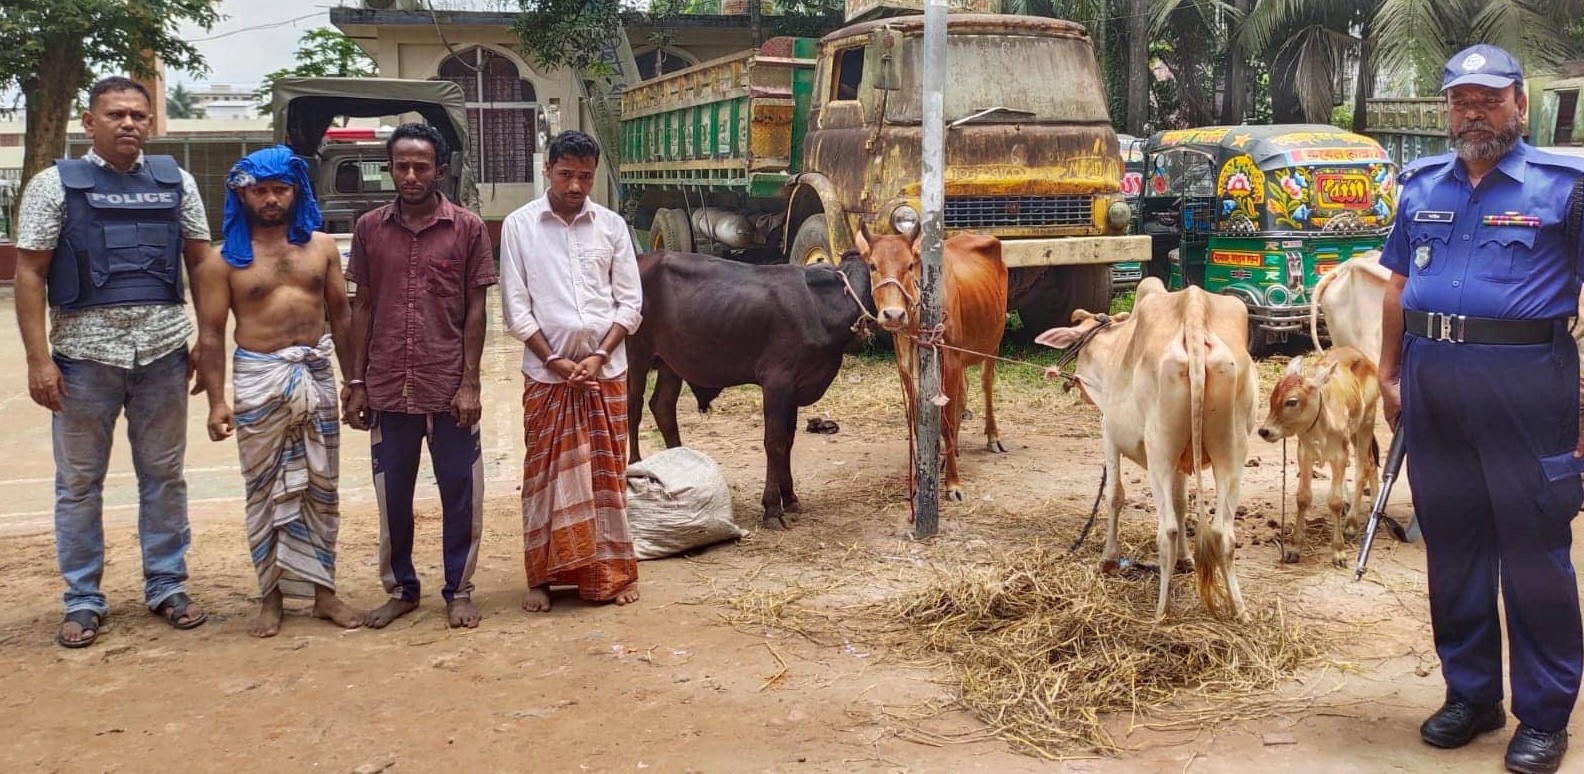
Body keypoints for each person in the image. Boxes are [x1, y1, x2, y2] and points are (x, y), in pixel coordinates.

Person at [1379, 44, 1584, 774]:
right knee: (1454, 548)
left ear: (1519, 105)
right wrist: (1388, 374)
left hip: (1528, 390)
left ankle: (1544, 715)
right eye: (1462, 101)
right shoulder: (1421, 184)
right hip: (1433, 391)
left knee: (1533, 553)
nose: (1474, 113)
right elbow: (1397, 285)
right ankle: (1471, 695)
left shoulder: (1566, 188)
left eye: (1490, 100)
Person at [13, 76, 214, 648]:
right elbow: (29, 272)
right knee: (79, 484)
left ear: (150, 123)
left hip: (164, 354)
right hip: (83, 360)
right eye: (115, 114)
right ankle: (82, 598)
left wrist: (207, 340)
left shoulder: (177, 182)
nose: (128, 123)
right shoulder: (53, 185)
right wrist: (37, 360)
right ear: (89, 122)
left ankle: (167, 585)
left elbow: (202, 263)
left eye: (138, 115)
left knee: (164, 476)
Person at [196, 146, 365, 638]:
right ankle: (270, 597)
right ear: (242, 196)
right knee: (264, 490)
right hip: (259, 379)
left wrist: (353, 381)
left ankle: (324, 594)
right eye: (260, 191)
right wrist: (217, 401)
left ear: (297, 191)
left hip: (315, 373)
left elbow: (342, 317)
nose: (270, 199)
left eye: (280, 189)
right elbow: (211, 335)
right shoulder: (222, 260)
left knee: (321, 488)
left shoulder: (322, 247)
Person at [342, 123, 495, 630]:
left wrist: (470, 383)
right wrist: (357, 382)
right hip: (388, 386)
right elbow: (362, 305)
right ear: (389, 168)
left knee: (461, 492)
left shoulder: (467, 229)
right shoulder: (369, 229)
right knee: (393, 496)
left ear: (440, 171)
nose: (411, 176)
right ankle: (402, 589)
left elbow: (476, 310)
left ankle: (459, 589)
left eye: (421, 167)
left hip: (448, 387)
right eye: (402, 166)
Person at [500, 130, 642, 613]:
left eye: (585, 176)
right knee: (544, 478)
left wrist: (598, 356)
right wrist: (554, 360)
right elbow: (516, 307)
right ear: (548, 170)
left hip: (606, 373)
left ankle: (610, 574)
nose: (576, 186)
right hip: (547, 379)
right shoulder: (519, 226)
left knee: (607, 476)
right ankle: (542, 578)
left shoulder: (612, 227)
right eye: (565, 174)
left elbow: (630, 303)